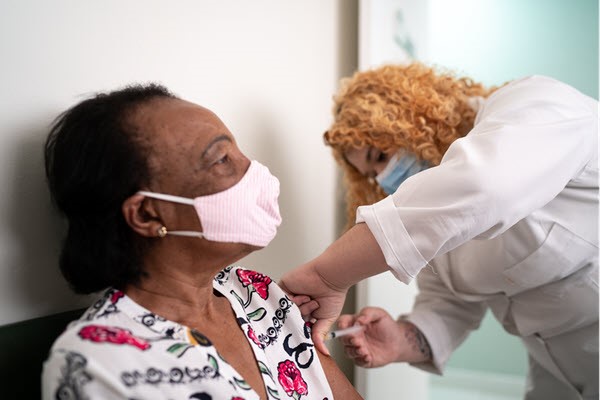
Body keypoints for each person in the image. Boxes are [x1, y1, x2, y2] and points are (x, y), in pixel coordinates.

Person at [280, 62, 598, 400]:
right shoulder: (438, 212)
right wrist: (401, 339)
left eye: (380, 156)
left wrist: (328, 275)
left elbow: (486, 186)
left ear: (415, 118)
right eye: (371, 175)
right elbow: (448, 304)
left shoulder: (538, 102)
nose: (382, 179)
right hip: (556, 376)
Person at [41, 84, 362, 399]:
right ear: (147, 215)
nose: (253, 171)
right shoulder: (96, 363)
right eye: (221, 159)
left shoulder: (254, 294)